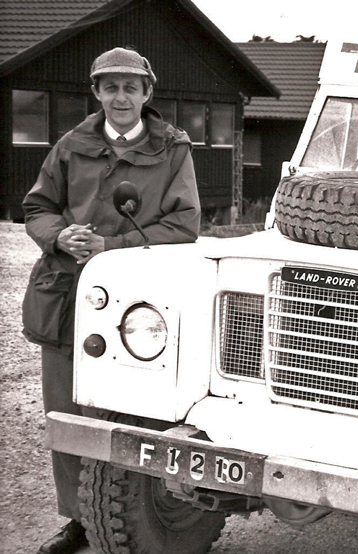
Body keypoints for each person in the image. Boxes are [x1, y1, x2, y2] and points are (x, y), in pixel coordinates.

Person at [22, 47, 201, 554]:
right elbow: (37, 207)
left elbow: (184, 225)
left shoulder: (172, 149)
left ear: (147, 93)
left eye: (130, 87)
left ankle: (132, 518)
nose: (120, 97)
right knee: (66, 412)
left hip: (136, 305)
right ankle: (78, 519)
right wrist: (59, 236)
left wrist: (112, 245)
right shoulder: (72, 144)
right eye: (110, 87)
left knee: (130, 411)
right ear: (96, 93)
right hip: (66, 293)